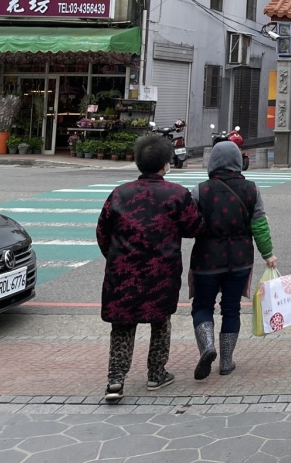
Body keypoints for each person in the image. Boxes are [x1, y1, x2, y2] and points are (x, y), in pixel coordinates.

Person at [96, 134, 202, 403]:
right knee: (160, 321)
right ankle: (156, 373)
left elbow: (102, 232)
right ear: (166, 164)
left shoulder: (120, 193)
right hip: (162, 271)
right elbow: (194, 227)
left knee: (122, 326)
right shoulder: (177, 194)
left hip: (123, 272)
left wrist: (115, 257)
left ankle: (115, 380)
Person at [189, 140, 277, 380]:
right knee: (231, 308)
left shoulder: (200, 190)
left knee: (202, 306)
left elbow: (190, 225)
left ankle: (207, 347)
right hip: (240, 259)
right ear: (238, 161)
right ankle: (226, 361)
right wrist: (268, 254)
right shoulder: (251, 189)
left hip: (206, 258)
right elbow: (260, 225)